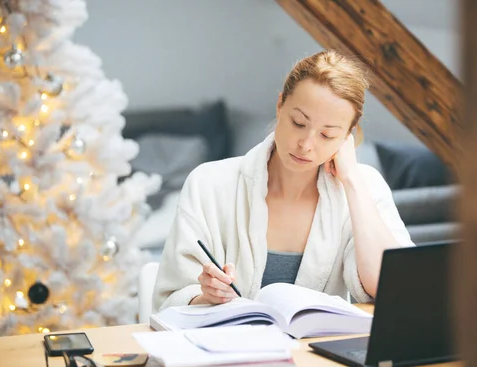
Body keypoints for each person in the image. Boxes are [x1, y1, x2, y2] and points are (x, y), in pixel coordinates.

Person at [152, 50, 413, 311]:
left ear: (347, 136)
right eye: (298, 123)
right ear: (280, 106)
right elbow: (170, 297)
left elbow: (394, 288)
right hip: (226, 348)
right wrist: (206, 295)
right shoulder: (208, 183)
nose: (306, 144)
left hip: (311, 351)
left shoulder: (364, 186)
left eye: (327, 135)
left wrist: (353, 183)